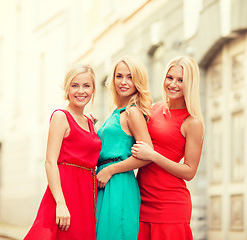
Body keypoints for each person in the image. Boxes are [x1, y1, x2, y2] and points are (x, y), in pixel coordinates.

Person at [24, 64, 101, 240]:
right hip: (65, 193)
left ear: (93, 89)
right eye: (75, 85)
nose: (81, 91)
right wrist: (60, 203)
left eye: (86, 86)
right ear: (67, 88)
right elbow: (50, 162)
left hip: (86, 195)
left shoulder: (88, 122)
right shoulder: (60, 117)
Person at [131, 56, 204, 240]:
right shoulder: (153, 109)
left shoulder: (192, 122)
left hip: (169, 206)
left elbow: (189, 171)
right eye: (170, 78)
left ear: (190, 84)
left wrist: (153, 155)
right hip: (141, 199)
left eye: (181, 80)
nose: (173, 84)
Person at [95, 55, 153, 240]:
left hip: (118, 182)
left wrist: (110, 170)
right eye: (119, 76)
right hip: (106, 182)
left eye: (130, 77)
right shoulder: (115, 111)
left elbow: (147, 154)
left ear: (138, 81)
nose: (124, 82)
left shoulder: (133, 111)